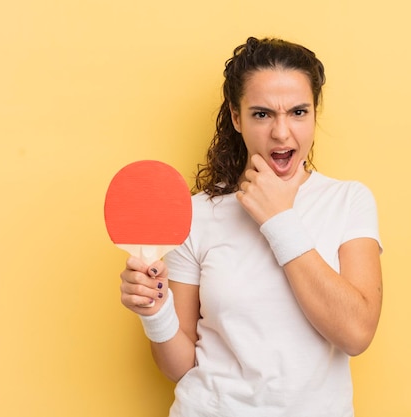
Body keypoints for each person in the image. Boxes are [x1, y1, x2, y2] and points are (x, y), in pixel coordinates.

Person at [119, 36, 383, 416]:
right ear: (236, 116)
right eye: (262, 114)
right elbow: (178, 368)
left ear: (314, 113)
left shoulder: (349, 202)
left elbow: (356, 334)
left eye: (298, 112)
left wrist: (279, 220)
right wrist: (156, 311)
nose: (281, 132)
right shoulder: (196, 214)